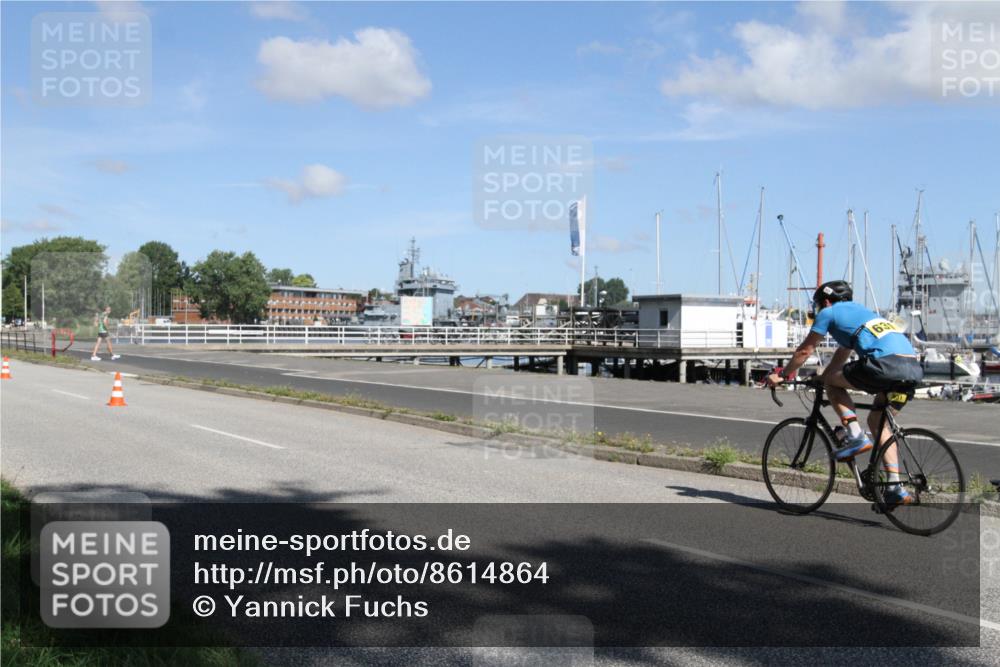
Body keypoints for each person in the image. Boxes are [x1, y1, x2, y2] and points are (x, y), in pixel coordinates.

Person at [766, 280, 923, 508]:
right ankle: (894, 486)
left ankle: (855, 435)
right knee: (879, 424)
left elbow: (804, 351)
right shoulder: (862, 314)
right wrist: (823, 377)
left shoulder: (829, 312)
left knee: (833, 383)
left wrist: (783, 374)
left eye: (819, 305)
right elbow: (841, 356)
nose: (819, 309)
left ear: (826, 302)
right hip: (912, 370)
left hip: (884, 366)